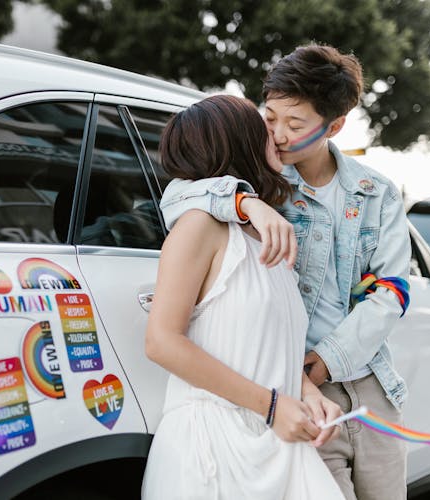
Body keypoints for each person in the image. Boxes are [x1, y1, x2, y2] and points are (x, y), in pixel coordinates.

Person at [158, 44, 412, 500]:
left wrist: (331, 357)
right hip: (292, 382)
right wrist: (244, 201)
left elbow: (392, 291)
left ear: (334, 126)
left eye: (294, 125)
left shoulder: (377, 193)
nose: (276, 134)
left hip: (371, 382)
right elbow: (180, 191)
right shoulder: (261, 185)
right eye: (269, 118)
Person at [141, 94, 344, 500]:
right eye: (263, 127)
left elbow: (268, 342)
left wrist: (308, 395)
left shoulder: (264, 233)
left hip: (278, 442)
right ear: (239, 142)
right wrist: (270, 406)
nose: (277, 136)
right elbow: (161, 341)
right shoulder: (199, 226)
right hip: (216, 449)